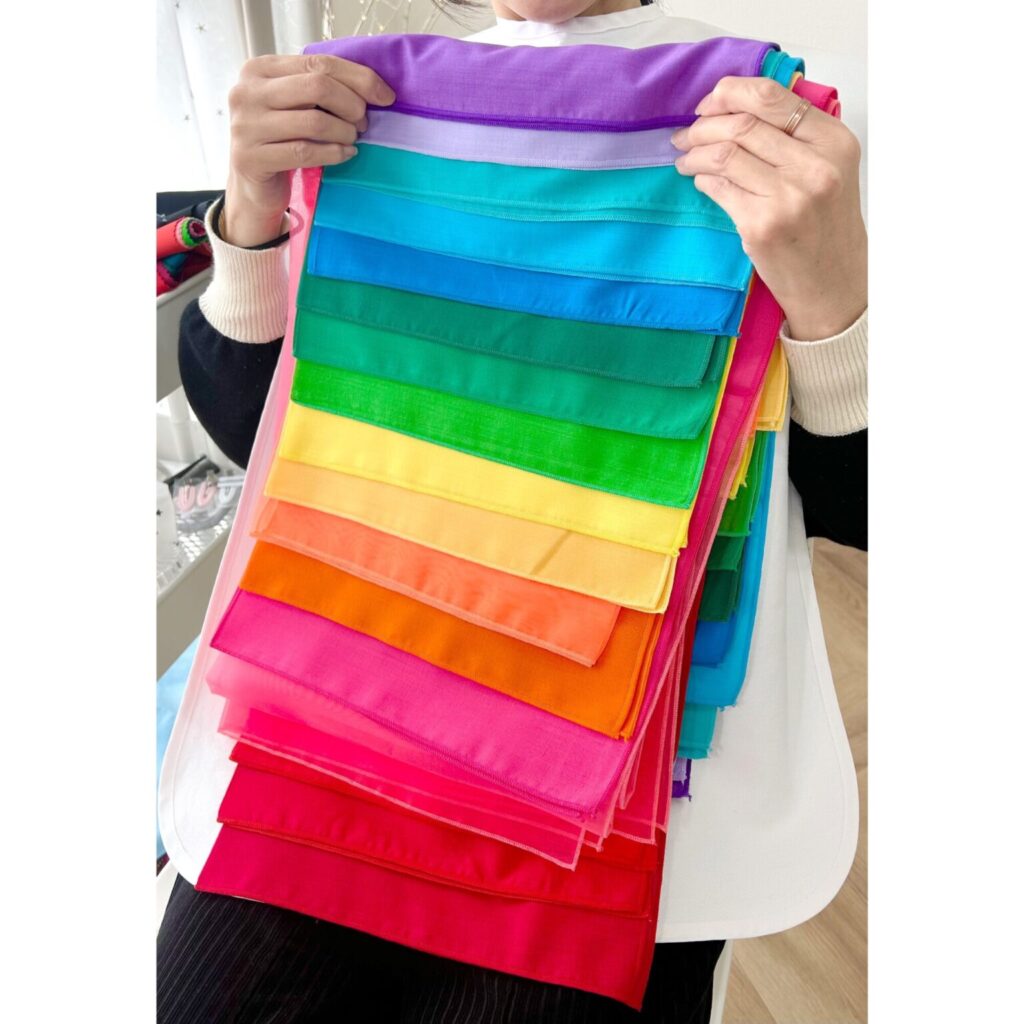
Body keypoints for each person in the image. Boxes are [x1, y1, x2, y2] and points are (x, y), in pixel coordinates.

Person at [158, 2, 868, 1021]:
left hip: (606, 808)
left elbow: (864, 512)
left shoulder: (791, 131)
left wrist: (835, 304)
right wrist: (248, 222)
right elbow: (253, 433)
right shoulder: (353, 109)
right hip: (321, 724)